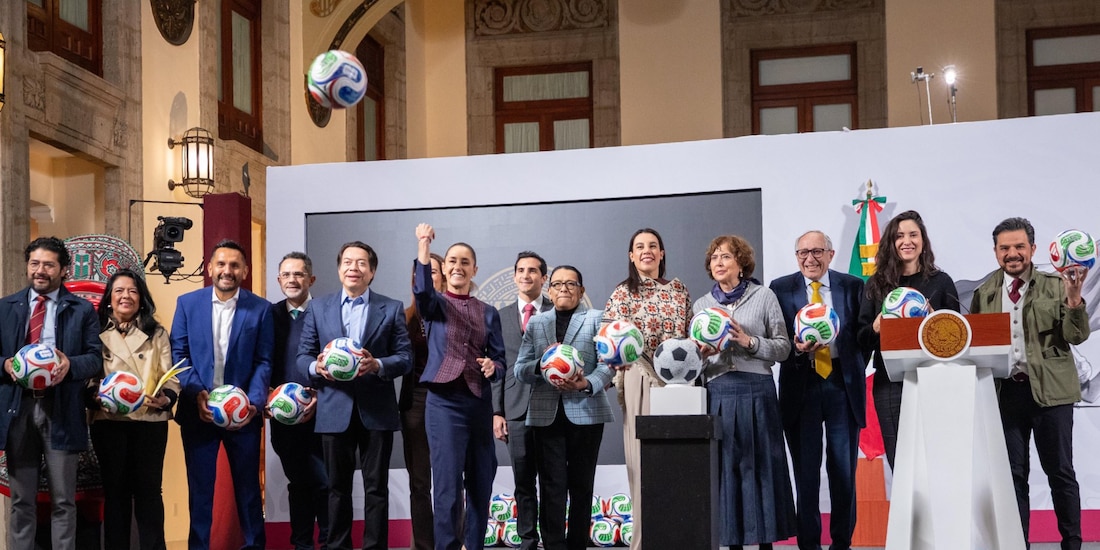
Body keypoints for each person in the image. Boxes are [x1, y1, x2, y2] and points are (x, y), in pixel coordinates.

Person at [970, 217, 1088, 550]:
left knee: (1061, 473)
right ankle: (1016, 544)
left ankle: (1073, 544)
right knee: (1012, 479)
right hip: (1007, 395)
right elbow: (979, 345)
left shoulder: (1056, 284)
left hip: (1052, 394)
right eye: (1005, 248)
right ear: (995, 252)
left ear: (1033, 249)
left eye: (1019, 246)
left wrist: (1074, 299)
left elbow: (1076, 335)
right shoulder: (984, 293)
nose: (1012, 254)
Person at [297, 242, 412, 550]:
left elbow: (405, 357)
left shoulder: (391, 307)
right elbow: (302, 355)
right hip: (334, 411)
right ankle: (338, 546)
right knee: (336, 488)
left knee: (376, 489)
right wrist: (316, 367)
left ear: (371, 272)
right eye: (347, 262)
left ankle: (375, 547)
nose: (353, 268)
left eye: (361, 263)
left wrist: (377, 364)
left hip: (376, 411)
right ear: (339, 270)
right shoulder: (318, 307)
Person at [0, 236, 102, 550]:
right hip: (18, 411)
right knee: (22, 501)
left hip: (62, 412)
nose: (40, 270)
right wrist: (6, 365)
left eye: (48, 264)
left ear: (63, 269)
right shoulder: (5, 308)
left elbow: (95, 359)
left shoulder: (82, 309)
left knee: (63, 501)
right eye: (34, 263)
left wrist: (70, 364)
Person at [693, 235, 794, 550]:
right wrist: (702, 354)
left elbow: (783, 348)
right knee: (726, 468)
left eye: (726, 257)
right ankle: (731, 542)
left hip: (757, 389)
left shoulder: (763, 296)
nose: (719, 263)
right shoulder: (701, 305)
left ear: (741, 264)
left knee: (760, 466)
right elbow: (693, 359)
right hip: (718, 391)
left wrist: (749, 341)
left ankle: (765, 542)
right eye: (714, 258)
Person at [171, 239, 273, 550]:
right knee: (200, 492)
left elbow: (264, 360)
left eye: (234, 265)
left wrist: (251, 403)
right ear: (210, 267)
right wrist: (197, 393)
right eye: (221, 264)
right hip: (198, 413)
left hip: (243, 418)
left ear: (245, 270)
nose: (227, 271)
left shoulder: (261, 309)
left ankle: (255, 546)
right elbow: (179, 355)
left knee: (248, 492)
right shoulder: (187, 304)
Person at [770, 231, 866, 550]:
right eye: (802, 253)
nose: (809, 259)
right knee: (806, 476)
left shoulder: (852, 286)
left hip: (842, 385)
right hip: (802, 385)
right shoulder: (781, 289)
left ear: (831, 253)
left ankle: (842, 543)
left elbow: (863, 337)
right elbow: (779, 340)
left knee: (843, 473)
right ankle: (808, 544)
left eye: (817, 251)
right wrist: (798, 349)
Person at [413, 223, 505, 550]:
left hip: (478, 404)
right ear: (445, 268)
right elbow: (422, 289)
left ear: (475, 269)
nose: (458, 267)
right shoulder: (434, 304)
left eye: (465, 262)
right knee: (447, 488)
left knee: (481, 484)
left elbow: (501, 361)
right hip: (443, 404)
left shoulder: (490, 313)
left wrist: (493, 366)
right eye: (452, 261)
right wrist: (424, 245)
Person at [514, 265, 614, 550]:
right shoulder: (537, 323)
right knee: (552, 486)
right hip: (547, 416)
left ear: (581, 291)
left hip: (587, 412)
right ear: (549, 290)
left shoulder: (596, 318)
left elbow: (608, 365)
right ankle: (554, 545)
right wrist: (545, 364)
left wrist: (585, 384)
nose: (564, 289)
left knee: (582, 486)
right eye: (557, 284)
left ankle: (578, 545)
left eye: (571, 284)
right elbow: (520, 369)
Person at [603, 227, 690, 548]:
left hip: (679, 382)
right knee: (642, 465)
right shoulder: (622, 293)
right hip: (638, 376)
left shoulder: (679, 290)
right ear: (631, 255)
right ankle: (643, 543)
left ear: (662, 253)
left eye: (653, 245)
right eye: (639, 247)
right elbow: (607, 339)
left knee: (676, 464)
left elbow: (691, 335)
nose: (647, 251)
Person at [856, 210, 959, 468]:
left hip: (933, 377)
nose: (907, 241)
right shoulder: (876, 285)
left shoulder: (941, 282)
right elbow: (860, 339)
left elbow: (958, 337)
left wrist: (938, 321)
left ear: (922, 241)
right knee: (900, 459)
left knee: (936, 456)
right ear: (891, 243)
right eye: (900, 236)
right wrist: (876, 327)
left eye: (913, 235)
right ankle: (907, 510)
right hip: (890, 381)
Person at [90, 269, 176, 550]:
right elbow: (89, 374)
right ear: (109, 299)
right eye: (119, 291)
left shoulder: (157, 332)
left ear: (141, 298)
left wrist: (166, 398)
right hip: (108, 419)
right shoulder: (95, 332)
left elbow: (171, 375)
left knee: (150, 492)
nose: (125, 296)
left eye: (132, 291)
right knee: (115, 493)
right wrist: (94, 396)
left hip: (149, 420)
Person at [491, 251, 551, 550]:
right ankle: (528, 541)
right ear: (514, 276)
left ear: (543, 277)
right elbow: (497, 366)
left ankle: (553, 541)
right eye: (521, 270)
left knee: (553, 483)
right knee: (524, 484)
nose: (526, 275)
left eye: (533, 270)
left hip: (554, 408)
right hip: (514, 409)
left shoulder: (557, 311)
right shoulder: (498, 317)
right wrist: (497, 411)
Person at [269, 252, 328, 550]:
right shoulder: (270, 315)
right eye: (286, 275)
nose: (292, 279)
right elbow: (262, 361)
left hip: (324, 415)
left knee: (326, 484)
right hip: (283, 419)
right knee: (299, 485)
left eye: (299, 274)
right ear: (279, 280)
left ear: (311, 279)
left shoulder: (326, 312)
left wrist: (319, 396)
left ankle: (331, 543)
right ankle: (302, 545)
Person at [400, 252, 445, 550]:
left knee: (450, 481)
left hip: (450, 401)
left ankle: (452, 541)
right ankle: (424, 546)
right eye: (420, 275)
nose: (426, 279)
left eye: (433, 273)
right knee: (419, 484)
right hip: (414, 402)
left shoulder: (456, 312)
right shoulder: (404, 316)